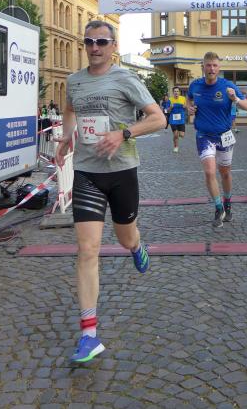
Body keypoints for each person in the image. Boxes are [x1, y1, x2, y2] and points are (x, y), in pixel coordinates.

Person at [55, 20, 165, 363]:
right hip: (87, 173)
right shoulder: (75, 81)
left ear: (113, 46)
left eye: (101, 41)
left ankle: (136, 246)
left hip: (121, 173)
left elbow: (158, 118)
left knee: (125, 236)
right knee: (87, 250)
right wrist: (67, 135)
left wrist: (123, 134)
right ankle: (89, 335)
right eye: (89, 41)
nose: (94, 47)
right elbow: (70, 109)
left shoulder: (126, 79)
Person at [187, 52, 247, 228]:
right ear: (203, 67)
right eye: (208, 65)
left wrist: (235, 99)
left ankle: (227, 202)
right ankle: (218, 207)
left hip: (224, 136)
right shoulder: (195, 85)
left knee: (225, 173)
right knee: (209, 172)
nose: (211, 69)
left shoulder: (227, 86)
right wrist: (189, 108)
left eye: (214, 65)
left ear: (219, 68)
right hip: (204, 135)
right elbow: (189, 99)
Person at [168, 86, 187, 153]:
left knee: (182, 135)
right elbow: (168, 111)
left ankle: (176, 135)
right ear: (173, 92)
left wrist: (185, 107)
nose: (176, 92)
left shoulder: (183, 99)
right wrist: (170, 107)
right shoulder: (170, 100)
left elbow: (185, 108)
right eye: (175, 91)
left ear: (179, 92)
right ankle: (176, 146)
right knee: (176, 134)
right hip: (173, 119)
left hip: (181, 119)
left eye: (177, 91)